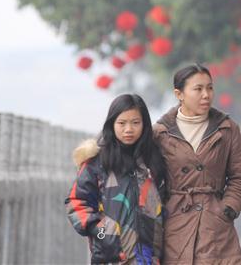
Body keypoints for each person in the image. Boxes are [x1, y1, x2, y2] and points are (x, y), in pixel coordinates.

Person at [154, 63, 241, 265]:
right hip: (175, 223)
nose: (206, 94)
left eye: (210, 87)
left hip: (215, 224)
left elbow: (239, 176)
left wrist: (228, 209)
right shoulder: (160, 133)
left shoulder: (227, 129)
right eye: (198, 89)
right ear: (179, 94)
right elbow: (150, 179)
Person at [65, 94, 170, 264]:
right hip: (111, 258)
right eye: (122, 123)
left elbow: (166, 202)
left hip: (150, 258)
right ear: (112, 124)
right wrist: (102, 234)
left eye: (135, 122)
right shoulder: (97, 162)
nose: (128, 129)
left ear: (144, 124)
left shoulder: (153, 160)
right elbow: (76, 203)